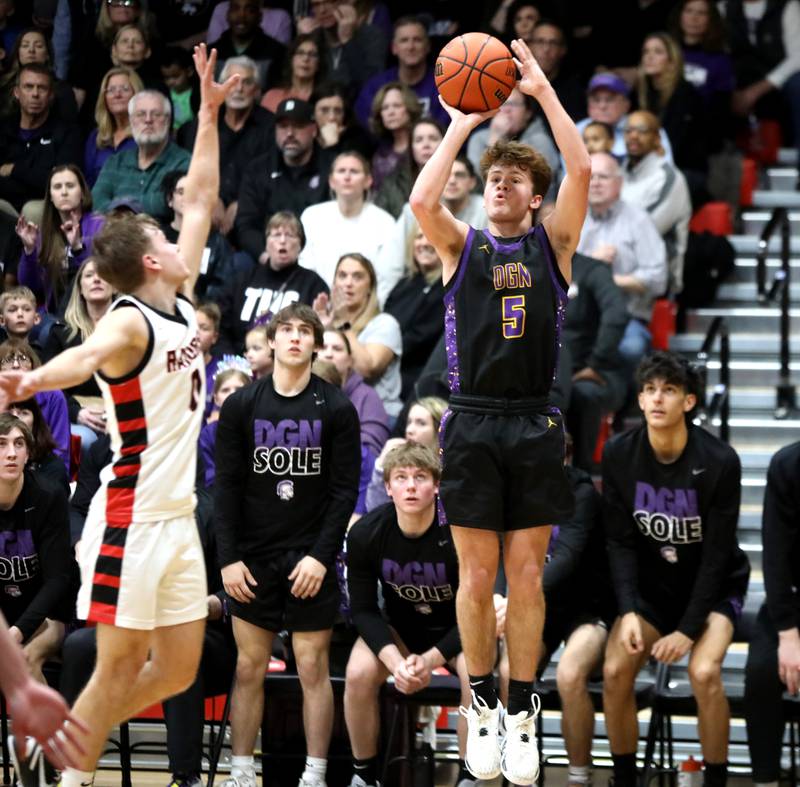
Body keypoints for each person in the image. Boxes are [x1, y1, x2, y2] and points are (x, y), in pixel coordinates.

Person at [0, 44, 238, 787]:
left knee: (179, 667)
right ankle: (69, 774)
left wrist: (210, 108)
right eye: (166, 239)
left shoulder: (178, 297)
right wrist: (29, 376)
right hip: (130, 516)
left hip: (176, 515)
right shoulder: (131, 321)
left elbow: (200, 196)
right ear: (153, 262)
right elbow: (84, 358)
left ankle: (61, 738)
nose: (178, 235)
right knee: (118, 664)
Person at [408, 36, 590, 784]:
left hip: (535, 420)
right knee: (476, 581)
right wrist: (461, 120)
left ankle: (521, 707)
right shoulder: (462, 247)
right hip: (474, 418)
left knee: (528, 578)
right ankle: (480, 699)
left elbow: (580, 166)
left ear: (536, 196)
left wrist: (543, 93)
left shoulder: (555, 244)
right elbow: (423, 199)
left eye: (514, 180)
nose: (500, 188)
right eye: (494, 180)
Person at [214, 302, 361, 787]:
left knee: (313, 667)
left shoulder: (337, 407)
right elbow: (226, 489)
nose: (296, 338)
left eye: (305, 331)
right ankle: (240, 771)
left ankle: (314, 774)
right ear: (271, 340)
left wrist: (322, 557)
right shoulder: (241, 406)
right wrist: (228, 559)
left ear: (316, 343)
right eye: (287, 330)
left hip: (309, 558)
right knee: (250, 666)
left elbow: (344, 494)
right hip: (252, 559)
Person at [602, 351, 751, 787]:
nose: (656, 399)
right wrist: (629, 608)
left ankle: (716, 780)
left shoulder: (720, 461)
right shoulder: (619, 454)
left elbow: (718, 555)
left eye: (668, 390)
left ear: (688, 401)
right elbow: (620, 541)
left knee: (703, 673)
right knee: (614, 671)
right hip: (652, 590)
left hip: (714, 587)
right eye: (649, 390)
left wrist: (687, 629)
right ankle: (626, 778)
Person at [345, 442, 472, 787]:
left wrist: (430, 660)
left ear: (437, 486)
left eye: (420, 477)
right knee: (357, 674)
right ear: (388, 488)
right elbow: (363, 610)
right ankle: (364, 776)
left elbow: (475, 613)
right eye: (401, 478)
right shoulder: (365, 534)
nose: (411, 486)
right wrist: (395, 663)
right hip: (400, 627)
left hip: (457, 629)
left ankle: (468, 777)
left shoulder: (461, 534)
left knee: (475, 678)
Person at [577, 152, 668, 371]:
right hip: (577, 318)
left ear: (619, 182)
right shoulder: (573, 219)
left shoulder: (638, 220)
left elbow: (658, 279)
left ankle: (624, 404)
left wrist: (606, 280)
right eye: (591, 177)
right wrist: (590, 265)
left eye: (603, 177)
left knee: (630, 348)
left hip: (627, 319)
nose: (596, 183)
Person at [744, 439, 800, 787]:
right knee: (762, 672)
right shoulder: (787, 464)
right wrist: (789, 632)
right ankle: (765, 780)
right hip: (791, 604)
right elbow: (775, 553)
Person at [234, 97, 333, 263]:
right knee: (239, 262)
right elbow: (246, 225)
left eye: (298, 126)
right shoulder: (258, 168)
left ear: (314, 130)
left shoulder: (331, 168)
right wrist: (267, 257)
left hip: (318, 257)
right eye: (283, 126)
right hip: (269, 255)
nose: (290, 134)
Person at [375, 156, 486, 303]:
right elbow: (390, 263)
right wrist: (386, 302)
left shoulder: (486, 210)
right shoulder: (414, 210)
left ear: (472, 182)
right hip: (423, 289)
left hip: (471, 294)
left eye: (459, 175)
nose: (452, 180)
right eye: (447, 175)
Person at [558, 250, 629, 473]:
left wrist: (595, 363)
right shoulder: (526, 269)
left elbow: (616, 314)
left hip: (589, 371)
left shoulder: (592, 270)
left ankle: (582, 474)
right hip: (541, 372)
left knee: (583, 394)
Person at [219, 210, 329, 354]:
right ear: (266, 243)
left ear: (300, 245)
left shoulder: (313, 284)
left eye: (290, 235)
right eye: (276, 235)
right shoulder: (243, 279)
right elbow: (222, 326)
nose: (282, 241)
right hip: (240, 359)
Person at [313, 253, 403, 418]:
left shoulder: (385, 323)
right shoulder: (329, 323)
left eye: (357, 277)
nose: (348, 283)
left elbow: (367, 369)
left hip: (378, 413)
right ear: (334, 284)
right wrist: (320, 329)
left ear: (370, 287)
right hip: (330, 410)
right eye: (342, 276)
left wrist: (343, 324)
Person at [1, 607, 87, 781]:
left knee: (29, 657)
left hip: (54, 615)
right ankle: (40, 753)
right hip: (14, 621)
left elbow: (57, 589)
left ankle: (43, 754)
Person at [41, 258, 114, 460]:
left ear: (115, 285)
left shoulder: (129, 332)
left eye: (103, 275)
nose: (97, 280)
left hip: (121, 414)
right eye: (89, 275)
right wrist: (76, 413)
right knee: (88, 440)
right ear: (80, 288)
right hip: (76, 416)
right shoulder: (61, 333)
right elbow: (49, 387)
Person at [299, 151, 395, 289]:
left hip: (367, 304)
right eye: (341, 171)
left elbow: (386, 276)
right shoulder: (311, 216)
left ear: (368, 181)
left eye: (354, 171)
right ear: (331, 181)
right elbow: (305, 265)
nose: (347, 177)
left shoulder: (385, 223)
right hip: (316, 299)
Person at [16, 164, 104, 314]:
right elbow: (31, 287)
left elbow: (101, 275)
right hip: (55, 314)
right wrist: (30, 250)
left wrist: (77, 248)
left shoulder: (100, 225)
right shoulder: (45, 233)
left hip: (90, 310)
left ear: (82, 192)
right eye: (57, 187)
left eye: (70, 186)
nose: (64, 192)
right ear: (50, 196)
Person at [92, 89, 191, 221]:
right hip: (116, 239)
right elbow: (97, 201)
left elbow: (165, 204)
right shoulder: (116, 162)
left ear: (167, 121)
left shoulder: (184, 161)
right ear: (132, 121)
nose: (148, 120)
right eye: (141, 114)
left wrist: (120, 206)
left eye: (156, 114)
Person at [621, 111, 691, 295]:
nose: (633, 136)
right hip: (616, 266)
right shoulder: (617, 173)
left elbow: (648, 231)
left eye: (642, 130)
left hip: (655, 277)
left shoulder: (669, 177)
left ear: (657, 138)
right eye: (628, 130)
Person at [636, 32, 709, 202]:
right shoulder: (641, 94)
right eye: (646, 52)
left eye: (658, 52)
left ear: (672, 60)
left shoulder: (686, 95)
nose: (650, 57)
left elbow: (677, 145)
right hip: (650, 169)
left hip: (685, 172)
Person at [0, 63, 82, 213]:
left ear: (51, 95)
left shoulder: (67, 133)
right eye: (28, 87)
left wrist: (15, 169)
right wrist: (36, 176)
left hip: (45, 209)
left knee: (32, 210)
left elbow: (62, 182)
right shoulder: (4, 129)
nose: (35, 94)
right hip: (5, 207)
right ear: (17, 92)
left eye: (42, 88)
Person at [383, 223, 445, 399]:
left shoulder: (448, 288)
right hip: (390, 370)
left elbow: (421, 337)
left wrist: (383, 351)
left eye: (431, 236)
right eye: (418, 237)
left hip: (418, 380)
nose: (424, 243)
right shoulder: (404, 284)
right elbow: (384, 320)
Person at [355, 16, 449, 128]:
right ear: (394, 48)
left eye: (417, 40)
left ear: (427, 47)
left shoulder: (444, 85)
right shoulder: (375, 87)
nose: (410, 47)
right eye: (404, 40)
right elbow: (368, 127)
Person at [161, 170, 235, 303]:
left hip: (202, 313)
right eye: (181, 192)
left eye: (192, 191)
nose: (187, 197)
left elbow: (223, 287)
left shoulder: (217, 242)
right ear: (169, 200)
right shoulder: (159, 239)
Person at [364, 395, 447, 513]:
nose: (409, 430)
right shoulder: (400, 463)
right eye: (409, 422)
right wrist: (381, 465)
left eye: (421, 423)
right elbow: (375, 510)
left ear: (440, 430)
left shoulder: (453, 469)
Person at [318, 328, 389, 460]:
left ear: (350, 360)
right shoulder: (297, 390)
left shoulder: (367, 397)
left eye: (337, 349)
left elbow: (371, 450)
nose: (329, 354)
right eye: (323, 347)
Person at [466, 87, 559, 184]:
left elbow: (541, 183)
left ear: (528, 113)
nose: (506, 109)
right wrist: (496, 138)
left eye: (513, 104)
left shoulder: (540, 140)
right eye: (502, 104)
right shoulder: (479, 138)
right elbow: (477, 182)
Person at [576, 73, 673, 160]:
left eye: (610, 99)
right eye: (596, 100)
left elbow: (665, 168)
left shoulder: (646, 127)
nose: (602, 106)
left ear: (626, 104)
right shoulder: (576, 130)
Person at [0, 27, 78, 123]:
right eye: (25, 45)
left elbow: (69, 126)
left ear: (47, 55)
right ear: (18, 53)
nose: (31, 50)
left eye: (39, 46)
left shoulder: (62, 90)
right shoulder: (4, 85)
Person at [83, 67, 144, 187]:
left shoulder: (149, 133)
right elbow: (87, 181)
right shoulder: (96, 137)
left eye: (125, 89)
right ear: (104, 98)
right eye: (111, 90)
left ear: (137, 94)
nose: (117, 94)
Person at [374, 117, 443, 220]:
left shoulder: (461, 176)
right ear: (411, 148)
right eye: (419, 140)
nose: (426, 145)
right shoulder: (393, 183)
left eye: (433, 138)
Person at [209, 0, 286, 92]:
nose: (241, 15)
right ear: (227, 15)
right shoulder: (211, 52)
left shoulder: (277, 52)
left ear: (260, 16)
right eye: (235, 9)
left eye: (250, 10)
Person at [198, 367, 251, 489]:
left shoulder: (260, 429)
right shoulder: (208, 434)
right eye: (225, 390)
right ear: (216, 399)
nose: (232, 394)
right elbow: (208, 476)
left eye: (239, 389)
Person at [261, 33, 326, 113]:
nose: (306, 59)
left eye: (312, 55)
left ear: (318, 64)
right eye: (300, 53)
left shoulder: (325, 99)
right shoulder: (272, 97)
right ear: (291, 60)